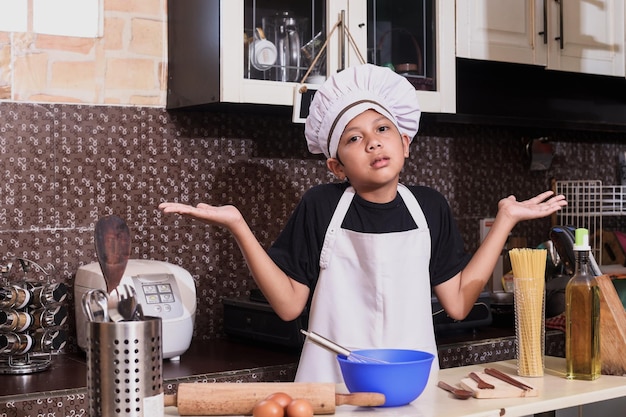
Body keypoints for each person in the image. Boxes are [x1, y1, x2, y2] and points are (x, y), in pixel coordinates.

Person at [158, 64, 567, 383]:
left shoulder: (429, 207)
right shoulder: (320, 206)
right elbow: (288, 306)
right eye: (353, 138)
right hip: (331, 388)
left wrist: (504, 221)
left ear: (404, 142)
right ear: (336, 165)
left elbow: (458, 304)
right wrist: (239, 226)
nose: (372, 141)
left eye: (383, 128)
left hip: (411, 391)